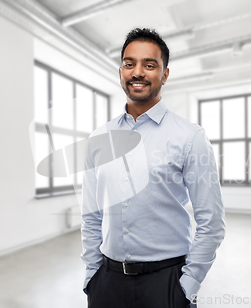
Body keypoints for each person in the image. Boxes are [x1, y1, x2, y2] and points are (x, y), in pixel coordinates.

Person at [80, 28, 225, 308]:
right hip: (107, 282)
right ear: (120, 71)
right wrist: (92, 275)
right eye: (129, 63)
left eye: (149, 65)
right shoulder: (98, 138)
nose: (138, 72)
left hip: (166, 284)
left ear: (165, 74)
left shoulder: (189, 137)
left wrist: (187, 285)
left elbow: (212, 223)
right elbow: (91, 215)